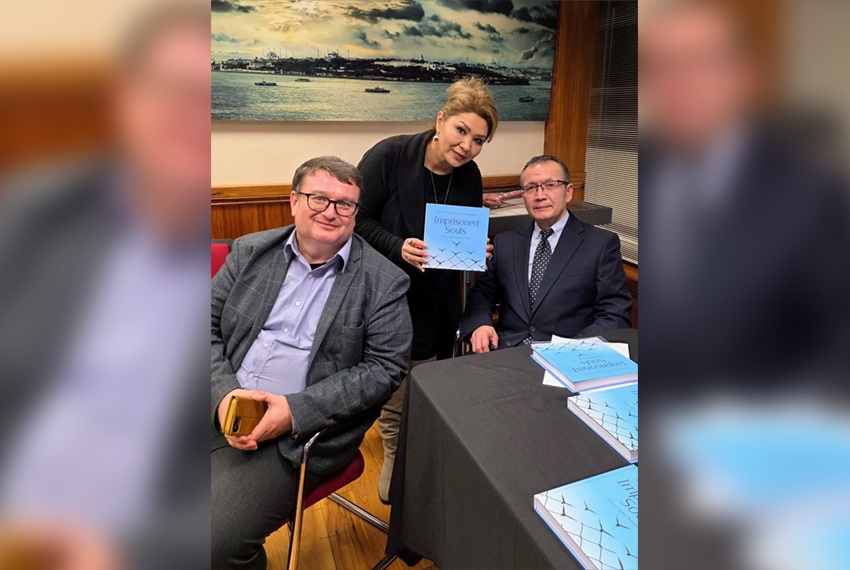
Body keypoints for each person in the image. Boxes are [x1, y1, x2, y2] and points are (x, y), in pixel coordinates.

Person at [211, 156, 412, 569]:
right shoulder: (249, 251)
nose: (330, 212)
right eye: (318, 198)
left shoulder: (384, 281)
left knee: (212, 542)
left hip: (295, 436)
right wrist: (223, 394)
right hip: (215, 399)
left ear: (356, 212)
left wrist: (293, 412)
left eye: (345, 204)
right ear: (294, 201)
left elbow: (386, 368)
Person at [355, 77, 498, 503]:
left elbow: (461, 237)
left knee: (430, 377)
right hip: (386, 293)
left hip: (438, 297)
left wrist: (476, 250)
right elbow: (355, 220)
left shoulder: (470, 176)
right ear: (440, 121)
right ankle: (395, 452)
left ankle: (422, 452)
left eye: (478, 140)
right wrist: (397, 245)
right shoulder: (390, 155)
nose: (467, 146)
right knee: (395, 381)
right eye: (461, 131)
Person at [461, 155, 632, 352]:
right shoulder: (505, 242)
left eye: (550, 185)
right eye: (531, 188)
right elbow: (482, 294)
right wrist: (481, 324)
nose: (539, 195)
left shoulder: (600, 244)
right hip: (507, 351)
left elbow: (614, 314)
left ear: (568, 192)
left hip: (568, 354)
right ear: (523, 195)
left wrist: (570, 349)